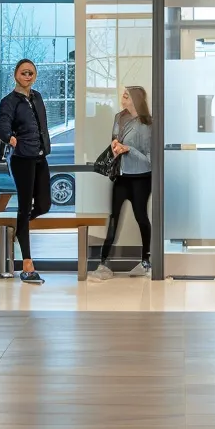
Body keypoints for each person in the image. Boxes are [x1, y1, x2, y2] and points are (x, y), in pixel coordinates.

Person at [91, 86, 154, 282]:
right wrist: (115, 145)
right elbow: (114, 138)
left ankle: (146, 260)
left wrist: (129, 149)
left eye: (126, 96)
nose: (123, 98)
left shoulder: (147, 124)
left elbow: (149, 159)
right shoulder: (120, 117)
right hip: (121, 175)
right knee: (114, 217)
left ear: (136, 100)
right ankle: (103, 263)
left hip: (141, 178)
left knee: (141, 217)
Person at [0, 59, 51, 284]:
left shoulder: (37, 97)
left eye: (31, 73)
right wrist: (12, 139)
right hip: (22, 159)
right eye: (23, 73)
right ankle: (27, 263)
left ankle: (21, 228)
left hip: (40, 156)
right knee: (24, 205)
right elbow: (1, 127)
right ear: (15, 75)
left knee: (44, 204)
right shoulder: (9, 101)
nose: (27, 76)